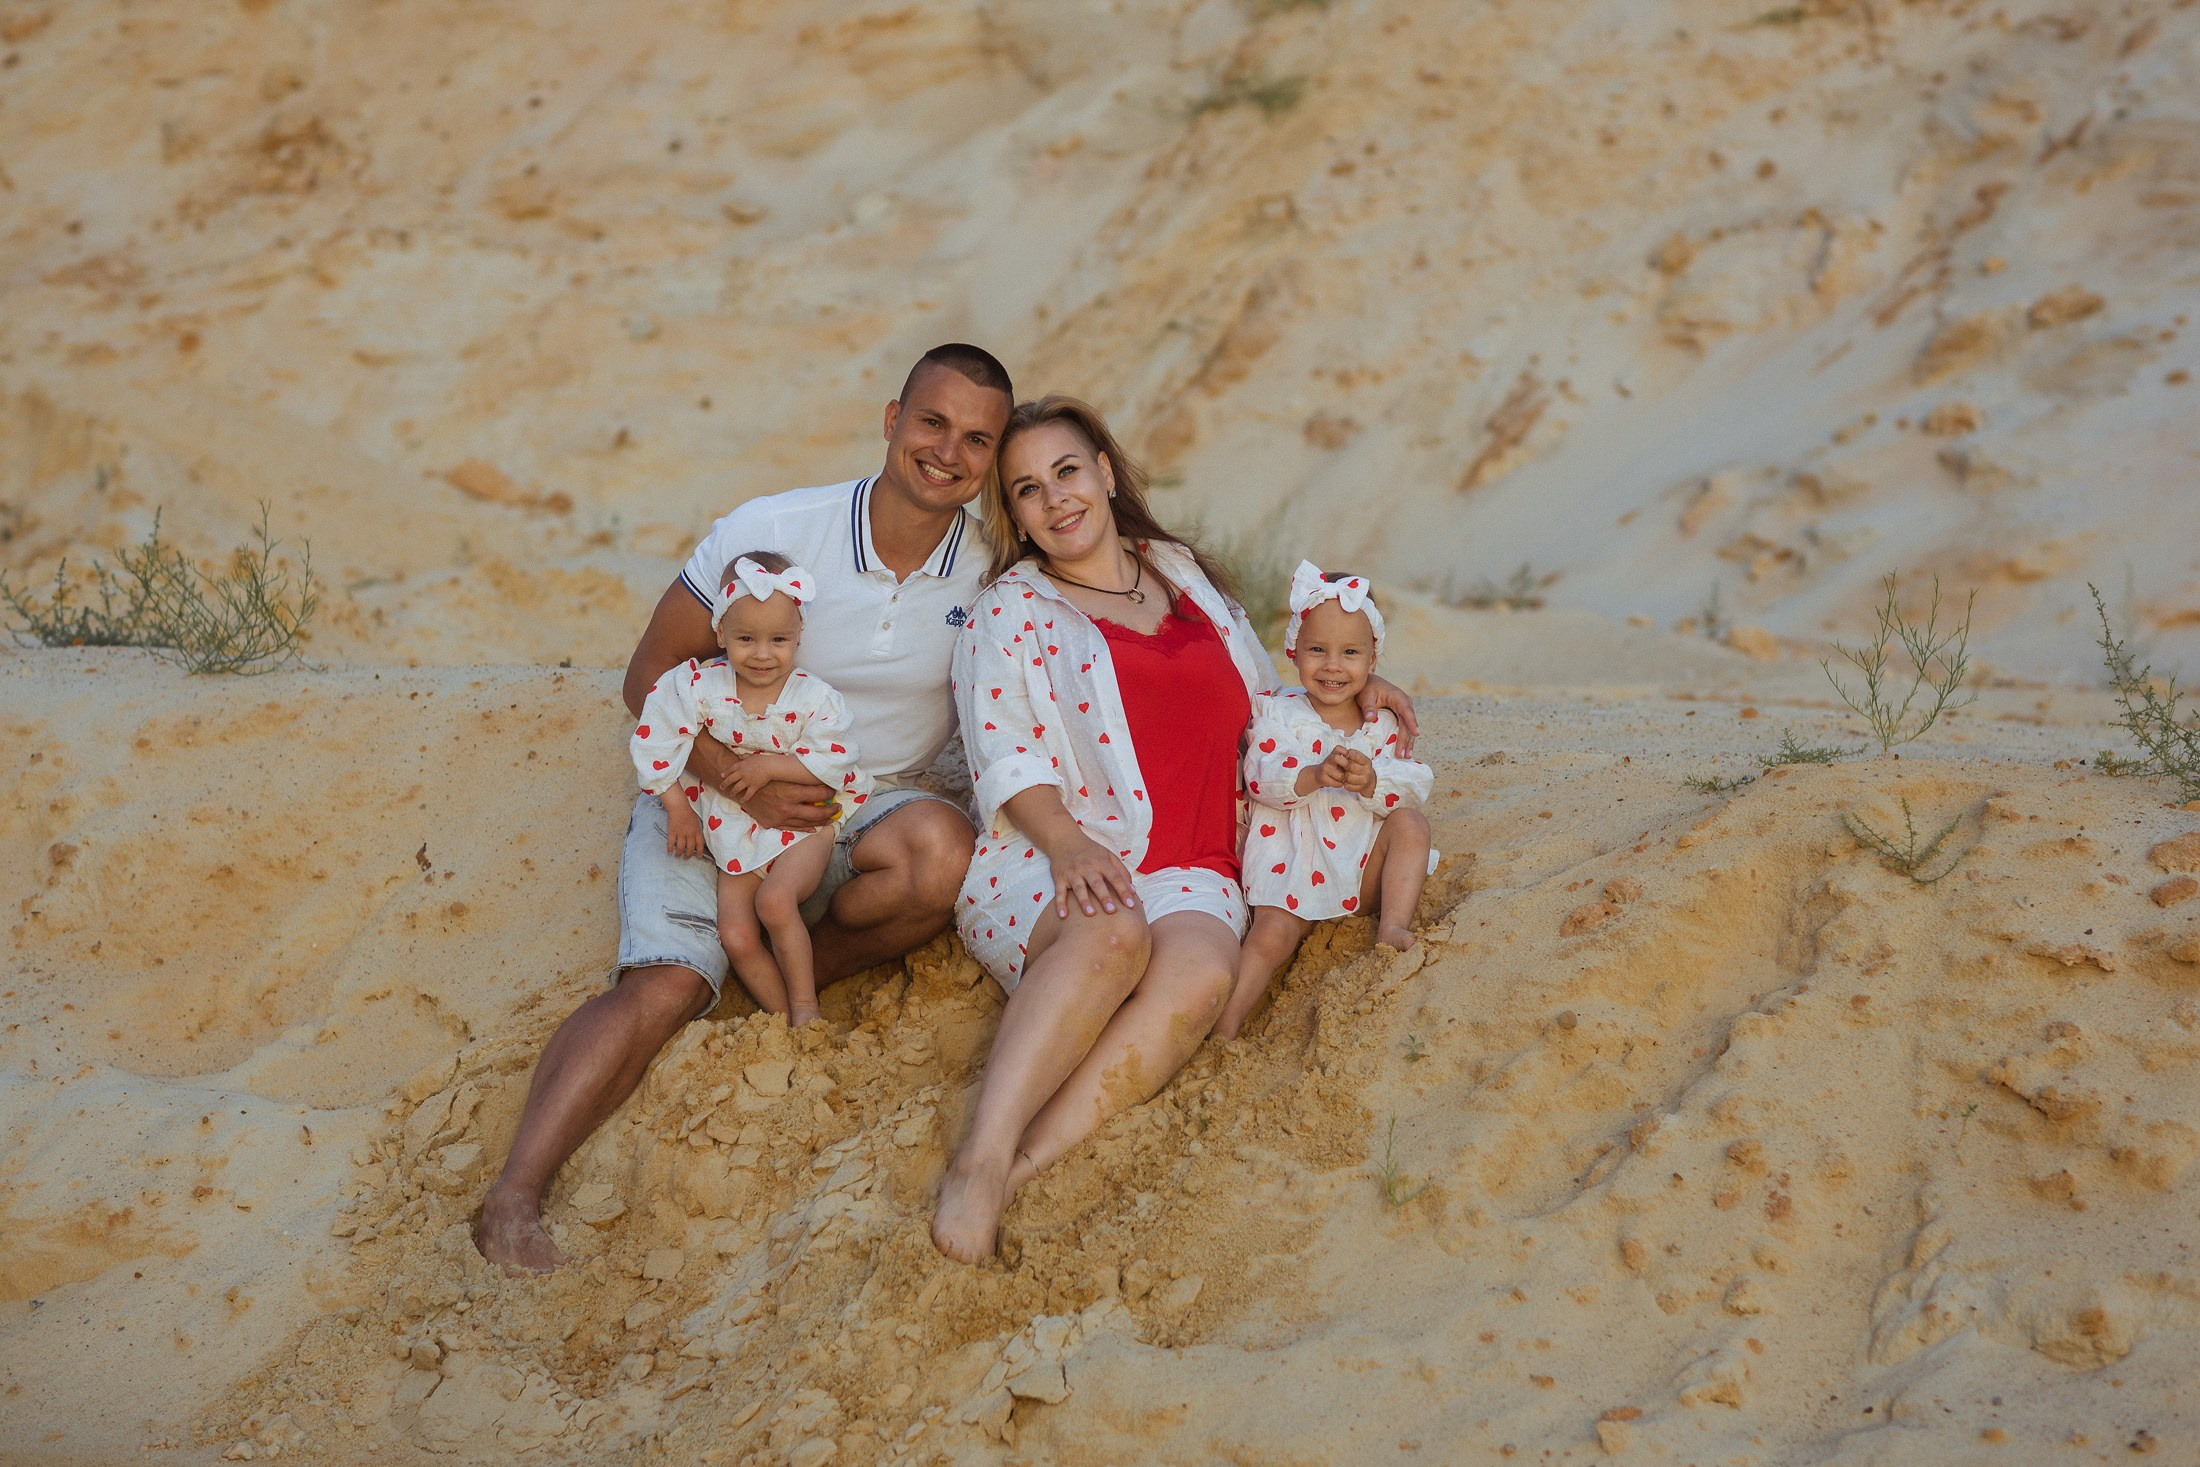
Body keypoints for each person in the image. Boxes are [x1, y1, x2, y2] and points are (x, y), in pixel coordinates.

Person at [476, 344, 1013, 1273]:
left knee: (943, 855)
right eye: (932, 421)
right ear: (892, 419)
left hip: (860, 801)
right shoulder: (774, 528)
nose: (947, 452)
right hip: (711, 790)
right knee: (659, 987)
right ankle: (513, 1196)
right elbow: (648, 676)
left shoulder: (995, 568)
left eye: (977, 439)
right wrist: (733, 777)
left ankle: (752, 973)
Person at [930, 396, 1419, 1263]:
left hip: (1196, 861)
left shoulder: (1181, 572)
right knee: (1112, 931)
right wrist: (1072, 845)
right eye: (1028, 489)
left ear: (1106, 472)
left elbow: (1274, 700)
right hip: (1052, 852)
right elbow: (1001, 752)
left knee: (1198, 977)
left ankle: (1024, 1168)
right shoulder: (1010, 609)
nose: (1057, 498)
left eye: (1068, 471)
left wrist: (1356, 697)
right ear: (1015, 515)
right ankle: (980, 1156)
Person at [631, 552, 873, 1028]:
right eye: (746, 639)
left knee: (774, 903)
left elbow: (836, 760)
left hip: (805, 826)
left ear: (799, 633)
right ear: (720, 633)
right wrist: (677, 808)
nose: (763, 654)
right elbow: (656, 734)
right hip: (732, 825)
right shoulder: (699, 686)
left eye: (779, 640)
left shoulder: (814, 698)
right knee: (736, 933)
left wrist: (771, 767)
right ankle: (781, 1020)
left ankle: (806, 1007)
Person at [1215, 562, 1434, 1040]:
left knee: (1412, 826)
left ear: (1372, 660)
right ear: (1293, 651)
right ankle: (1225, 1025)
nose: (1333, 665)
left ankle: (1393, 925)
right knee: (1272, 936)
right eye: (1318, 650)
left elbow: (1414, 782)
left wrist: (1372, 780)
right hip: (1295, 864)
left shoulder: (1381, 724)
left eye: (1350, 652)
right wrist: (1312, 775)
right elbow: (1260, 777)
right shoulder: (1277, 714)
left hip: (1361, 867)